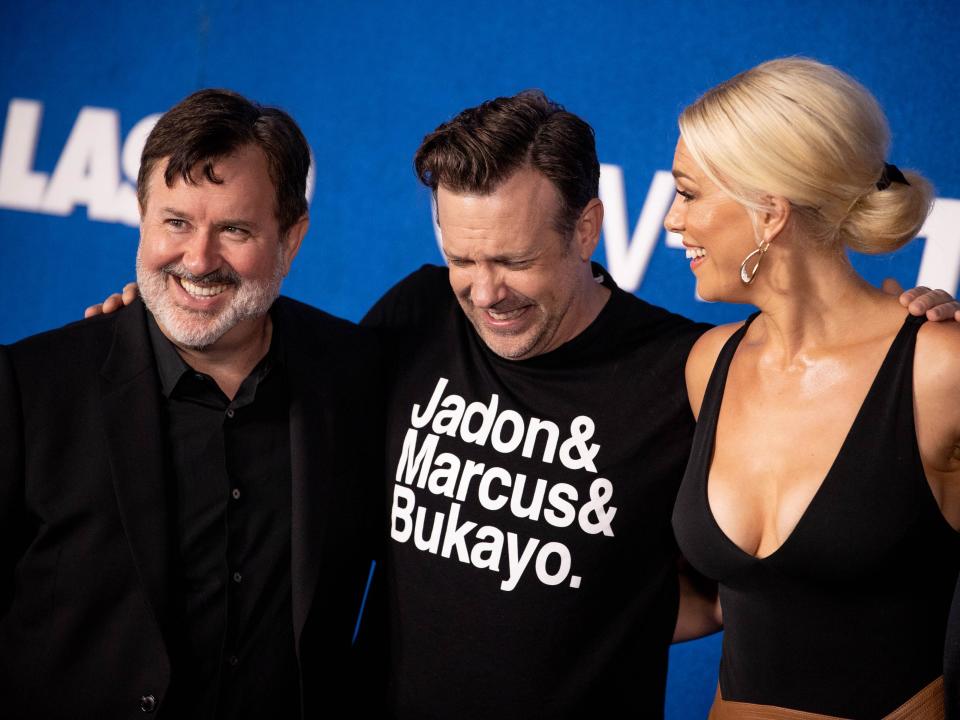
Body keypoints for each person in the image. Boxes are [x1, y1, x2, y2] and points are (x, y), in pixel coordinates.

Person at [84, 89, 959, 718]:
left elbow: (751, 583)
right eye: (462, 258)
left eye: (512, 262)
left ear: (586, 228)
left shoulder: (687, 368)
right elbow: (256, 351)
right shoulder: (417, 311)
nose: (483, 291)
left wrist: (910, 318)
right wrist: (158, 320)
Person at [0, 89, 383, 719]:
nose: (198, 260)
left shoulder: (359, 376)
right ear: (143, 216)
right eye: (176, 222)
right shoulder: (33, 388)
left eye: (234, 229)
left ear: (291, 239)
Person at [668, 58, 960, 718]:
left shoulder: (939, 370)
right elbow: (743, 603)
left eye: (687, 194)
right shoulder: (708, 364)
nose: (670, 222)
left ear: (769, 212)